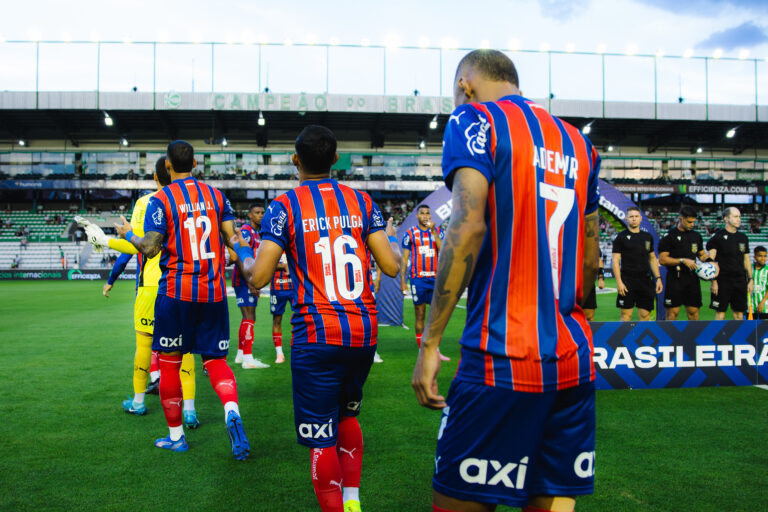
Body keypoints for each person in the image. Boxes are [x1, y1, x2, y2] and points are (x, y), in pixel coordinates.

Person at [411, 49, 600, 512]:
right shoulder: (579, 143)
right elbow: (590, 253)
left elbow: (467, 226)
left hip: (500, 357)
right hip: (572, 360)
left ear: (466, 84)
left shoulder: (474, 120)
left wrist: (431, 342)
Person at [243, 125, 401, 512]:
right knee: (348, 416)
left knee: (321, 435)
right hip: (362, 333)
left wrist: (243, 254)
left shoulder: (285, 206)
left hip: (317, 335)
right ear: (335, 159)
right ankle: (353, 502)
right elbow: (392, 267)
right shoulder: (362, 201)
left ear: (295, 160)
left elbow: (259, 278)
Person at [114, 140, 250, 459]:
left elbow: (149, 248)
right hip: (213, 294)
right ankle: (231, 410)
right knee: (215, 362)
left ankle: (176, 437)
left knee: (170, 364)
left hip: (176, 293)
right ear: (196, 163)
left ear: (168, 166)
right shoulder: (216, 196)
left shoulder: (161, 200)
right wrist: (246, 259)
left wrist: (127, 234)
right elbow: (234, 237)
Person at [81, 158, 198, 426]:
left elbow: (138, 245)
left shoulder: (146, 203)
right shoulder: (191, 201)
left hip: (150, 286)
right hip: (182, 284)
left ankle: (138, 402)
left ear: (155, 177)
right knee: (186, 349)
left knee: (145, 345)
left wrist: (106, 239)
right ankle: (190, 410)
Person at [401, 205, 450, 361]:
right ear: (417, 216)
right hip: (418, 279)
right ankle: (422, 351)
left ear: (430, 215)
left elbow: (442, 249)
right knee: (420, 314)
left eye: (427, 213)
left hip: (435, 278)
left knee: (436, 317)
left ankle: (435, 349)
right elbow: (404, 259)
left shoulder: (438, 231)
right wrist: (403, 281)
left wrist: (434, 231)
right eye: (422, 213)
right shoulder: (410, 234)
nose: (425, 216)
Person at [658, 205, 717, 320]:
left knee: (693, 313)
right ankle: (670, 333)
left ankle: (693, 333)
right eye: (689, 222)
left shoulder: (696, 236)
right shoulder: (669, 236)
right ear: (681, 219)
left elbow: (701, 255)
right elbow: (662, 259)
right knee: (672, 314)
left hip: (692, 278)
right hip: (675, 278)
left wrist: (711, 262)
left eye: (694, 222)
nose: (692, 224)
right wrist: (682, 260)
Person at [230, 202, 270, 369]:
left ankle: (240, 355)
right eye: (257, 212)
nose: (261, 215)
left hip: (246, 279)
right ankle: (248, 359)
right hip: (243, 280)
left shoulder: (256, 233)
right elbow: (239, 257)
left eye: (262, 212)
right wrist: (250, 281)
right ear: (250, 215)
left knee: (247, 317)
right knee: (249, 317)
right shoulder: (246, 232)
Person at [612, 207, 664, 321]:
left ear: (640, 218)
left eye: (636, 216)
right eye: (631, 216)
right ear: (626, 219)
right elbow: (615, 261)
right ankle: (624, 334)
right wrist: (619, 282)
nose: (634, 219)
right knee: (626, 316)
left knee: (645, 316)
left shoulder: (647, 237)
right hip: (627, 281)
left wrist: (658, 278)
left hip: (645, 281)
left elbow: (652, 259)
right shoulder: (620, 237)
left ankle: (642, 334)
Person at [707, 207, 753, 320]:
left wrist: (750, 279)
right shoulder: (717, 237)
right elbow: (711, 261)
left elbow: (746, 259)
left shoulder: (743, 238)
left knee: (739, 314)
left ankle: (739, 333)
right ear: (726, 218)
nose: (739, 219)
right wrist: (714, 281)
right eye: (735, 216)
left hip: (740, 281)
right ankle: (718, 333)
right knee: (720, 313)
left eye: (739, 217)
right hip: (722, 281)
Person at [268, 251, 293, 364]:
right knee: (277, 319)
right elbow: (268, 264)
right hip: (277, 288)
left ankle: (300, 348)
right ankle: (279, 353)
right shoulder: (274, 246)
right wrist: (283, 266)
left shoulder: (295, 245)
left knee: (301, 317)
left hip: (294, 287)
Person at [581, 249, 605, 321]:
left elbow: (598, 260)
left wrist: (600, 278)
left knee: (589, 317)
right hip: (571, 282)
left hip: (588, 282)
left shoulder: (591, 244)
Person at [750, 246, 768, 319]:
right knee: (750, 325)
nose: (763, 258)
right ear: (755, 257)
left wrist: (762, 303)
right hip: (750, 306)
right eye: (760, 256)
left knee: (764, 325)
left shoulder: (767, 270)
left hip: (764, 306)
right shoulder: (749, 269)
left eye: (765, 256)